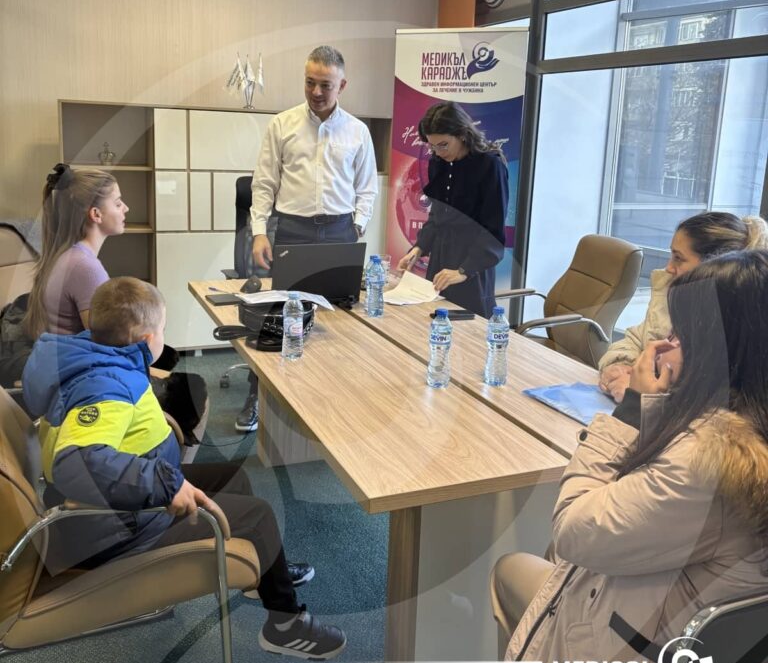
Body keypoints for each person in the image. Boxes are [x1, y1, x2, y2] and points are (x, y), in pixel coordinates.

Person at [463, 249, 768, 663]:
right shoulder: (746, 434)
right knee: (540, 571)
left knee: (522, 567)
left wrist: (628, 413)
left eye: (681, 337)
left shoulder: (707, 462)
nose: (665, 345)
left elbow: (573, 530)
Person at [22, 276, 346, 660]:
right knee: (258, 514)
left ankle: (263, 571)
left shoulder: (99, 356)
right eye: (163, 329)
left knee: (235, 477)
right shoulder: (105, 385)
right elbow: (78, 464)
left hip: (126, 502)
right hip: (116, 527)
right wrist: (166, 485)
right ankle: (285, 626)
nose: (164, 337)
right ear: (147, 339)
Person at [235, 45, 378, 432]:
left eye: (325, 85)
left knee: (340, 319)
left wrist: (358, 225)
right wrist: (259, 233)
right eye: (310, 82)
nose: (316, 92)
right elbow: (264, 184)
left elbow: (367, 187)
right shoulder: (282, 124)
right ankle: (257, 397)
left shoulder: (358, 131)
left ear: (342, 85)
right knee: (281, 318)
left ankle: (331, 403)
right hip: (293, 230)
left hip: (340, 232)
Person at [22, 163, 209, 446]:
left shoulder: (66, 256)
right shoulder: (85, 268)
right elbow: (111, 344)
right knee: (193, 389)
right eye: (118, 202)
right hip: (86, 390)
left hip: (65, 375)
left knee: (167, 356)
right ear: (96, 214)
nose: (126, 209)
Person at [599, 211, 768, 402]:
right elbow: (636, 340)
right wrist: (622, 367)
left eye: (678, 258)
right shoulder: (672, 293)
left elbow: (707, 404)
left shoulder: (734, 329)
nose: (668, 268)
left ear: (714, 266)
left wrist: (641, 396)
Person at [396, 102, 509, 318]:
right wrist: (419, 248)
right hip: (440, 260)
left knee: (468, 332)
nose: (438, 152)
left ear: (463, 135)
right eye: (433, 147)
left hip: (472, 266)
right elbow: (437, 215)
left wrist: (463, 271)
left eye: (444, 145)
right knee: (432, 322)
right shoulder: (438, 162)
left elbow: (493, 229)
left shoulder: (490, 165)